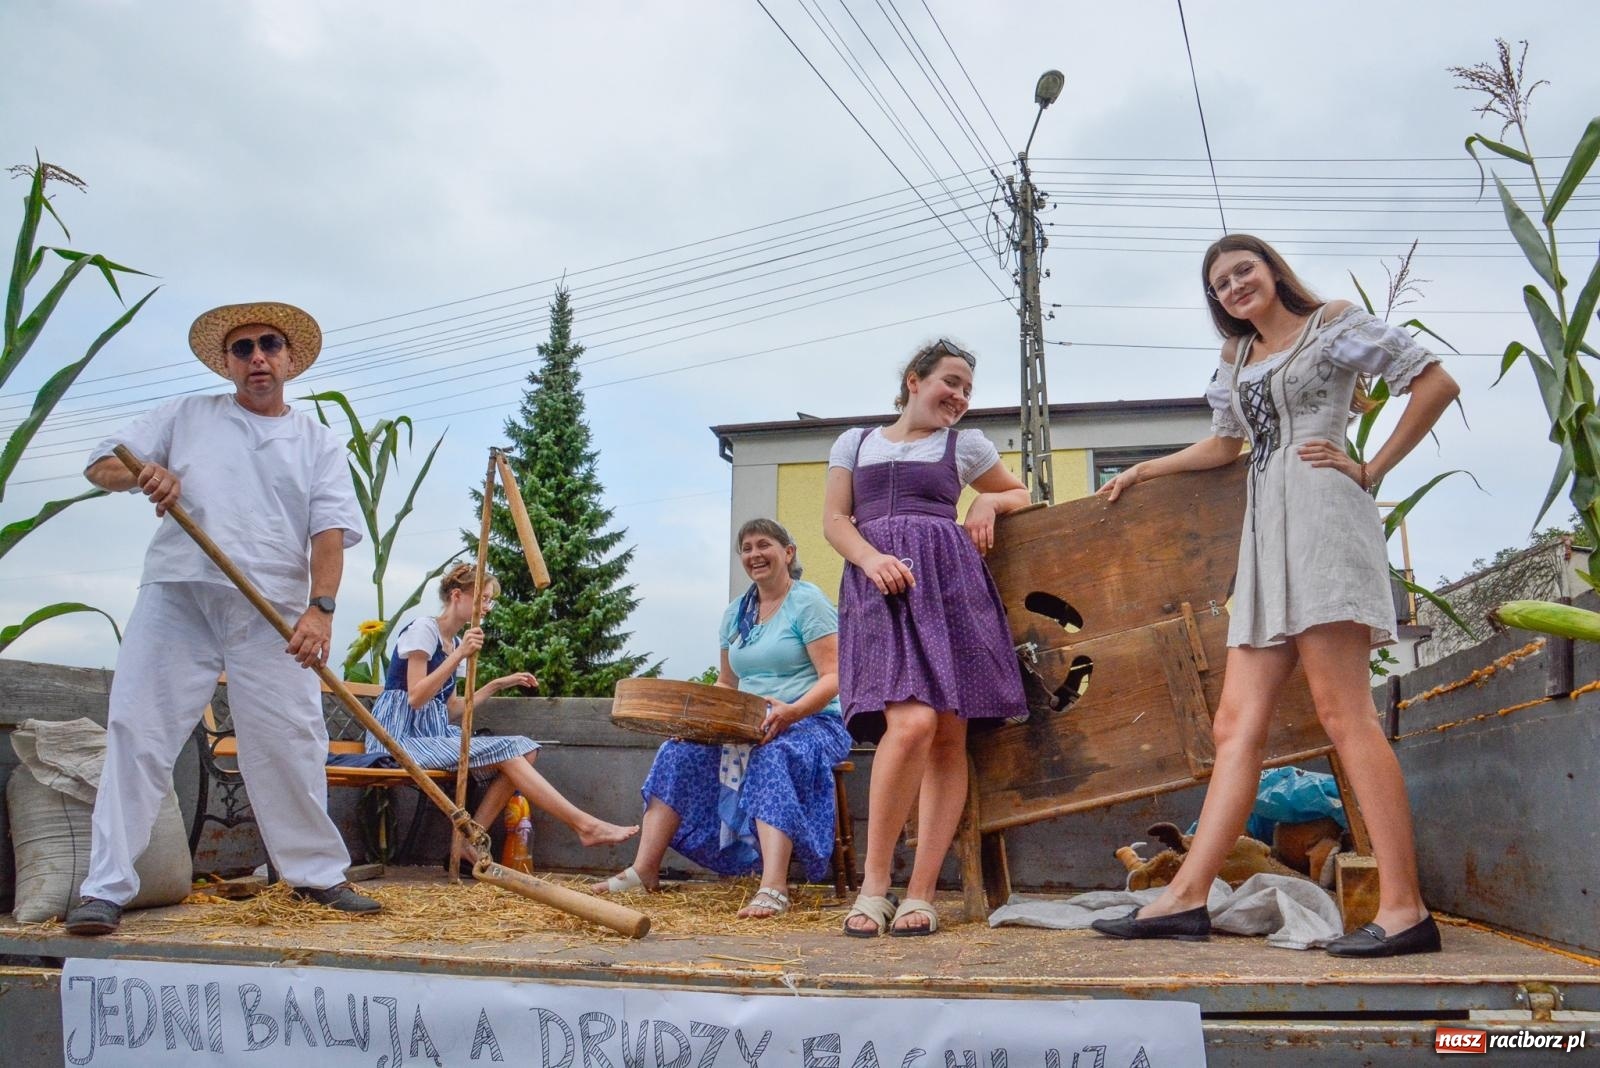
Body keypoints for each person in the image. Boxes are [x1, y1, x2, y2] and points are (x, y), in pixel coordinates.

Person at [1091, 234, 1459, 957]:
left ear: (1272, 272)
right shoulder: (1239, 358)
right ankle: (1185, 897)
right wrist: (1144, 468)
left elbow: (1436, 382)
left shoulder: (1333, 326)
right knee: (1235, 726)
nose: (1232, 287)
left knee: (1341, 712)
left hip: (1324, 516)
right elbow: (1224, 447)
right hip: (1265, 540)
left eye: (1243, 271)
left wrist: (1370, 466)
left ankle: (1406, 907)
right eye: (1220, 284)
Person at [68, 301, 377, 936]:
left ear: (289, 359)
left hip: (273, 609)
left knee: (290, 739)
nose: (257, 357)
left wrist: (320, 611)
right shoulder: (186, 415)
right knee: (138, 729)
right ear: (228, 363)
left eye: (268, 345)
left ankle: (315, 875)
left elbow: (329, 531)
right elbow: (103, 463)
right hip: (179, 595)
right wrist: (142, 472)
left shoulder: (317, 442)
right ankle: (104, 888)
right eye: (243, 349)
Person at [824, 340, 1032, 937]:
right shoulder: (855, 442)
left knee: (947, 735)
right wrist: (870, 559)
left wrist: (989, 500)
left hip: (949, 589)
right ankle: (873, 886)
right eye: (951, 382)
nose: (961, 397)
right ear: (914, 380)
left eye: (969, 388)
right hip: (881, 589)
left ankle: (921, 892)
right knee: (909, 724)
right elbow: (836, 520)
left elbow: (1019, 492)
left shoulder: (964, 445)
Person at [591, 519, 849, 919]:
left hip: (812, 721)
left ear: (788, 553)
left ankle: (774, 886)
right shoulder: (736, 614)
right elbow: (727, 684)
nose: (754, 554)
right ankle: (644, 871)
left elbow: (834, 676)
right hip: (747, 723)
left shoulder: (808, 603)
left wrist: (792, 710)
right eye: (746, 548)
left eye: (764, 545)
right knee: (675, 753)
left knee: (772, 754)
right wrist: (694, 726)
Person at [370, 564, 640, 865]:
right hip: (397, 738)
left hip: (432, 734)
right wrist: (459, 657)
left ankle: (468, 841)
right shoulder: (424, 629)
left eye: (489, 600)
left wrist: (498, 684)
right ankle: (584, 825)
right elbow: (417, 697)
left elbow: (450, 710)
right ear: (457, 595)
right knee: (511, 754)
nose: (486, 607)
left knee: (526, 750)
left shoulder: (457, 643)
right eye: (482, 598)